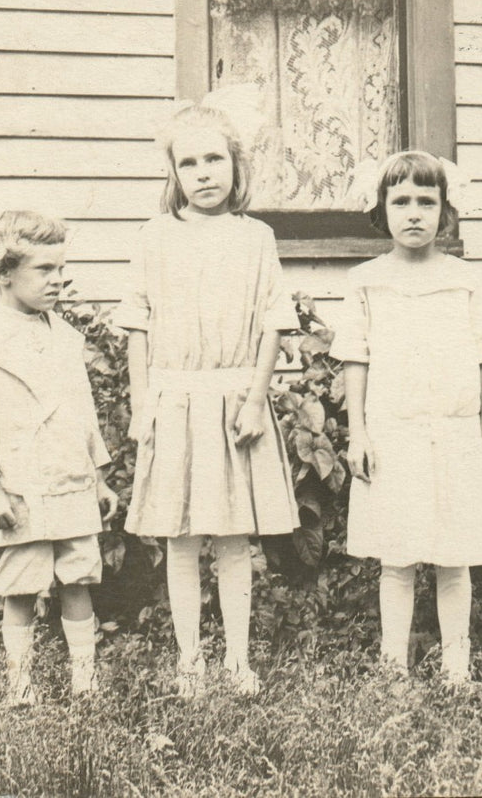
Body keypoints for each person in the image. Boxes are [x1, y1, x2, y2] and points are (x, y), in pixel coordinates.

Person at [111, 103, 300, 698]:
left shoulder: (255, 238)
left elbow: (273, 321)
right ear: (173, 173)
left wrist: (255, 399)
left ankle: (238, 661)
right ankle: (190, 660)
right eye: (188, 163)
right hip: (174, 399)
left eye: (214, 158)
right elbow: (137, 323)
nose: (203, 173)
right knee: (182, 537)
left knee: (234, 537)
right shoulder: (155, 237)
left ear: (236, 164)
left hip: (235, 399)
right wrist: (142, 403)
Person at [331, 151, 482, 685]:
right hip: (394, 434)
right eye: (401, 201)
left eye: (426, 202)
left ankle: (457, 664)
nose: (414, 213)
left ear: (445, 210)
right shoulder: (366, 281)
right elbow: (355, 359)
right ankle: (394, 667)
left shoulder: (465, 280)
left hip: (454, 433)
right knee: (397, 556)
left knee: (455, 556)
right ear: (381, 209)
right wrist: (359, 433)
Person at [0, 210, 119, 706]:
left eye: (61, 268)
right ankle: (20, 685)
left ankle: (85, 680)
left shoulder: (63, 336)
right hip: (19, 485)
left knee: (78, 576)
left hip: (70, 478)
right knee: (21, 584)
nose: (57, 280)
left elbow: (83, 411)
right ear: (4, 273)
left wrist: (100, 477)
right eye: (44, 270)